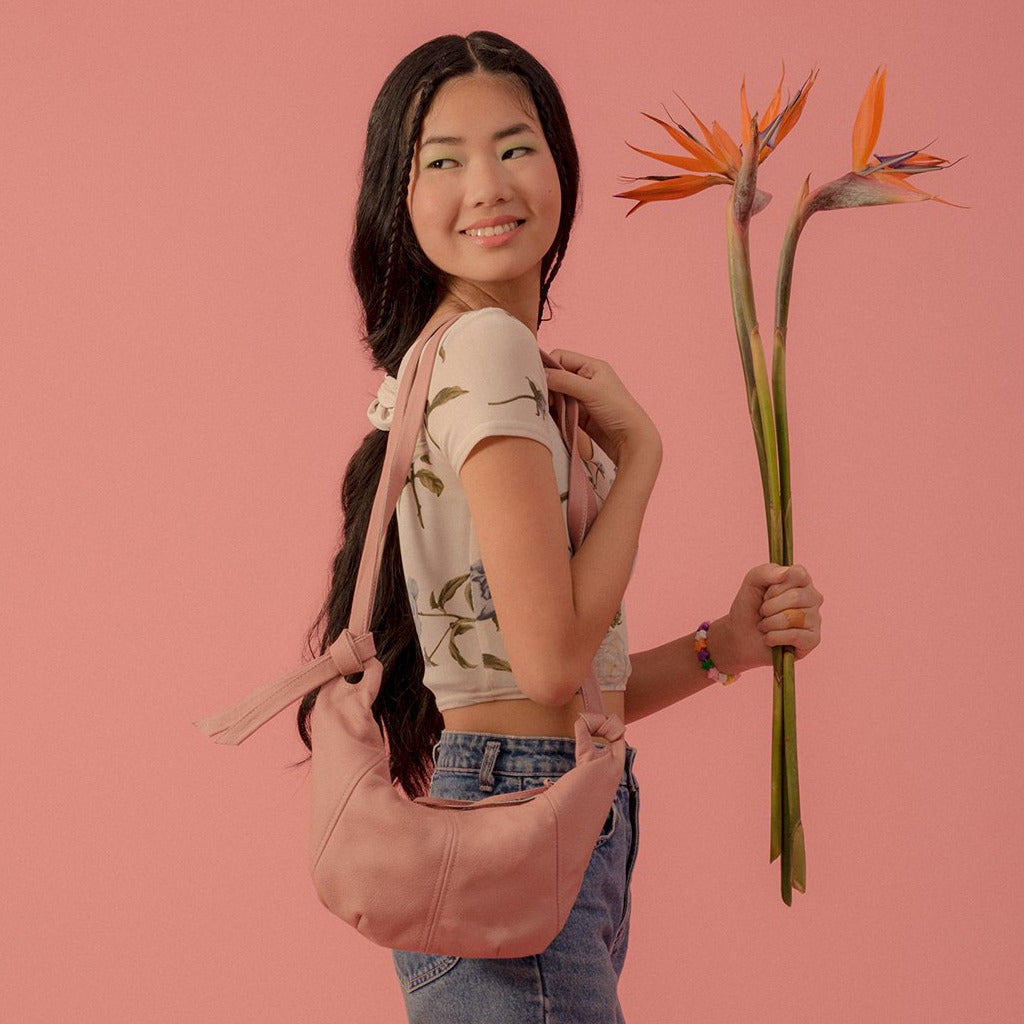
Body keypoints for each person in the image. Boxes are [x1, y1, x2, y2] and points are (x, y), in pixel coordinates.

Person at [298, 30, 824, 1024]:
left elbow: (545, 685)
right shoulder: (489, 350)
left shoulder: (450, 359)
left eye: (514, 146)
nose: (486, 183)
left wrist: (726, 645)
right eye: (441, 162)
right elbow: (546, 670)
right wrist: (643, 462)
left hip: (529, 808)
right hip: (523, 817)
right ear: (398, 204)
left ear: (559, 166)